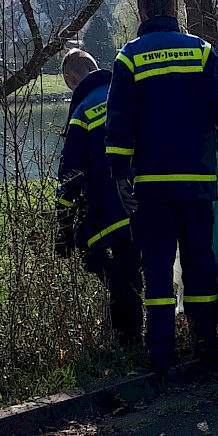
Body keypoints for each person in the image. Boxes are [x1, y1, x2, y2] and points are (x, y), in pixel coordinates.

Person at [104, 0, 218, 382]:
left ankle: (161, 356)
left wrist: (120, 178)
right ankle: (206, 346)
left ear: (142, 12)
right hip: (198, 182)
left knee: (159, 269)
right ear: (175, 11)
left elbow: (119, 128)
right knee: (200, 262)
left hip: (151, 187)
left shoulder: (129, 58)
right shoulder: (201, 52)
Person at [54, 45, 144, 349]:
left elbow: (70, 179)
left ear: (70, 79)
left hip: (104, 215)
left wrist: (64, 227)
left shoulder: (81, 114)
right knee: (134, 267)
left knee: (95, 257)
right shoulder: (127, 95)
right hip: (140, 208)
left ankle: (126, 336)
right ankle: (137, 340)